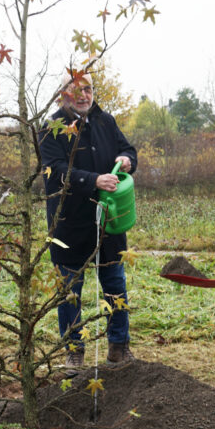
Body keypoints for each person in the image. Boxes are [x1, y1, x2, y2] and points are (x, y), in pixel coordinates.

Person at [39, 73, 138, 372]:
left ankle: (119, 348)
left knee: (115, 285)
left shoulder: (105, 121)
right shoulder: (52, 128)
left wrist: (127, 159)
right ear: (63, 95)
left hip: (109, 223)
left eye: (88, 89)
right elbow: (54, 171)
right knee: (70, 292)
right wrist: (94, 180)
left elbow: (128, 149)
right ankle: (74, 351)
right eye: (76, 90)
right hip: (69, 224)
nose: (83, 95)